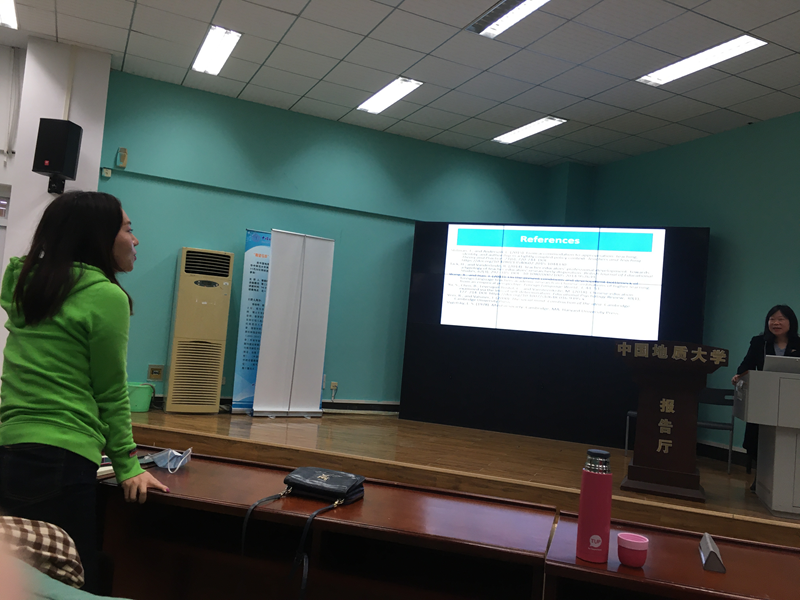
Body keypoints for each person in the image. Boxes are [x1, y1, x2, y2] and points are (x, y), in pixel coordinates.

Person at [0, 191, 168, 593]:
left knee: (22, 579)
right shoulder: (105, 296)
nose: (135, 239)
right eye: (127, 229)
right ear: (98, 237)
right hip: (61, 459)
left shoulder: (25, 284)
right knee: (72, 583)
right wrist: (128, 465)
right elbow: (110, 391)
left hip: (10, 450)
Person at [731, 304, 800, 490]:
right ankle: (761, 478)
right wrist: (739, 376)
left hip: (792, 402)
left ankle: (785, 483)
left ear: (791, 322)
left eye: (781, 319)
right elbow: (745, 366)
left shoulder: (799, 344)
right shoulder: (759, 342)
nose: (776, 323)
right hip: (764, 400)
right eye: (772, 319)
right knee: (758, 440)